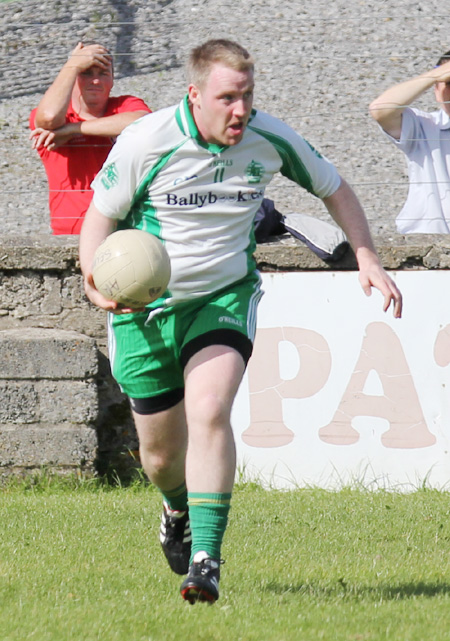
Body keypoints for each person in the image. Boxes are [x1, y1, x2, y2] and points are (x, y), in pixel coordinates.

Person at [79, 39, 402, 605]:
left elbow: (334, 187)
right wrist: (92, 277)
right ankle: (176, 505)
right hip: (145, 311)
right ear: (195, 95)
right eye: (227, 98)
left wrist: (367, 255)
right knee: (157, 457)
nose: (240, 110)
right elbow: (99, 217)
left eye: (247, 97)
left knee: (209, 408)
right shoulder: (147, 140)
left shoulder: (269, 137)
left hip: (222, 298)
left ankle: (206, 560)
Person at [29, 41, 151, 234]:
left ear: (112, 81)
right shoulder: (57, 119)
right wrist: (72, 65)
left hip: (123, 233)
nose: (95, 81)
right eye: (86, 73)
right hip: (70, 235)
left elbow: (145, 122)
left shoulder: (124, 106)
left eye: (103, 74)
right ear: (72, 79)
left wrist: (74, 129)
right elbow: (49, 117)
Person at [369, 51, 450, 234]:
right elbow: (380, 110)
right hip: (432, 244)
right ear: (436, 90)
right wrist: (436, 74)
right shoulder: (425, 126)